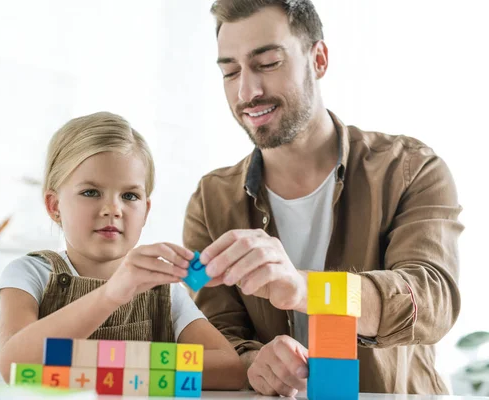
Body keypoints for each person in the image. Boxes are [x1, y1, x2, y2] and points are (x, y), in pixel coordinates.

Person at [183, 0, 463, 396]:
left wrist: (305, 289)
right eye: (230, 71)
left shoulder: (410, 169)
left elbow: (431, 299)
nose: (247, 91)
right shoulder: (210, 201)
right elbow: (215, 331)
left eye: (267, 63)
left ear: (318, 59)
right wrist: (253, 362)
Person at [0, 111, 246, 389]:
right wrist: (111, 295)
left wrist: (95, 366)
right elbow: (14, 365)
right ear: (54, 206)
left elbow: (229, 368)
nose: (113, 209)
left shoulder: (165, 291)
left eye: (129, 196)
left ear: (145, 210)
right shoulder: (28, 274)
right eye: (90, 192)